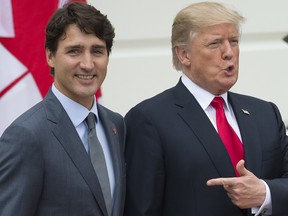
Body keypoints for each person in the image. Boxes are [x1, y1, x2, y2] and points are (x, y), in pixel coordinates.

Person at [124, 2, 288, 216]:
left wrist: (265, 193)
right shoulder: (149, 120)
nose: (229, 52)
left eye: (234, 41)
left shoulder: (266, 113)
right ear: (184, 54)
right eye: (215, 44)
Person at [0, 2, 125, 216]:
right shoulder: (26, 136)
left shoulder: (116, 124)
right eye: (74, 51)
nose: (87, 64)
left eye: (97, 51)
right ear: (50, 56)